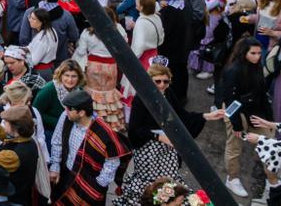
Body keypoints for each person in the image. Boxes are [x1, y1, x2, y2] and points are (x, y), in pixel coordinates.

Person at [115, 64, 223, 206]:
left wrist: (207, 116)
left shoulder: (168, 93)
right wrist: (159, 137)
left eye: (166, 81)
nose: (162, 85)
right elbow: (135, 131)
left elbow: (182, 116)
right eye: (158, 81)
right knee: (151, 183)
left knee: (169, 180)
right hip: (148, 148)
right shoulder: (141, 99)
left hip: (168, 147)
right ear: (149, 80)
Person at [48, 90, 129, 205]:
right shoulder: (66, 117)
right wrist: (55, 166)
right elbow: (57, 141)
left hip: (90, 184)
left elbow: (112, 162)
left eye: (69, 109)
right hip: (67, 175)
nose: (66, 111)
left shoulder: (103, 132)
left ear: (81, 113)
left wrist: (98, 187)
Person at [218, 36, 274, 197]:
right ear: (244, 53)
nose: (257, 56)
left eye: (259, 53)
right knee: (234, 146)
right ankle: (232, 178)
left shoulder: (257, 67)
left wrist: (268, 118)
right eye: (253, 53)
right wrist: (236, 124)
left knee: (269, 142)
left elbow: (262, 93)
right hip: (235, 111)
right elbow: (229, 99)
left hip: (254, 110)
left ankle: (272, 180)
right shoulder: (232, 70)